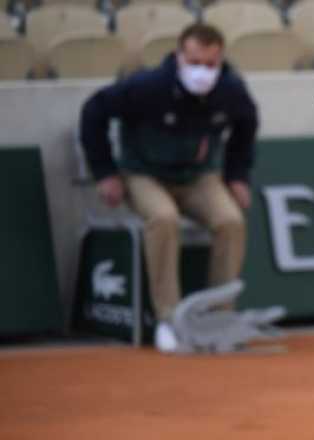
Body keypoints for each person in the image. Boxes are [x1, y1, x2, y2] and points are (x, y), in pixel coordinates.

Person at [78, 23, 258, 353]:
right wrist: (105, 172)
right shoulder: (148, 86)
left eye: (210, 64)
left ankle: (218, 319)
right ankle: (169, 319)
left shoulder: (230, 89)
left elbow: (247, 125)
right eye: (195, 62)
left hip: (198, 178)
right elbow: (94, 111)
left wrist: (237, 176)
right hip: (144, 175)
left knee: (230, 221)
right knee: (163, 218)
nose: (202, 71)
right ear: (179, 57)